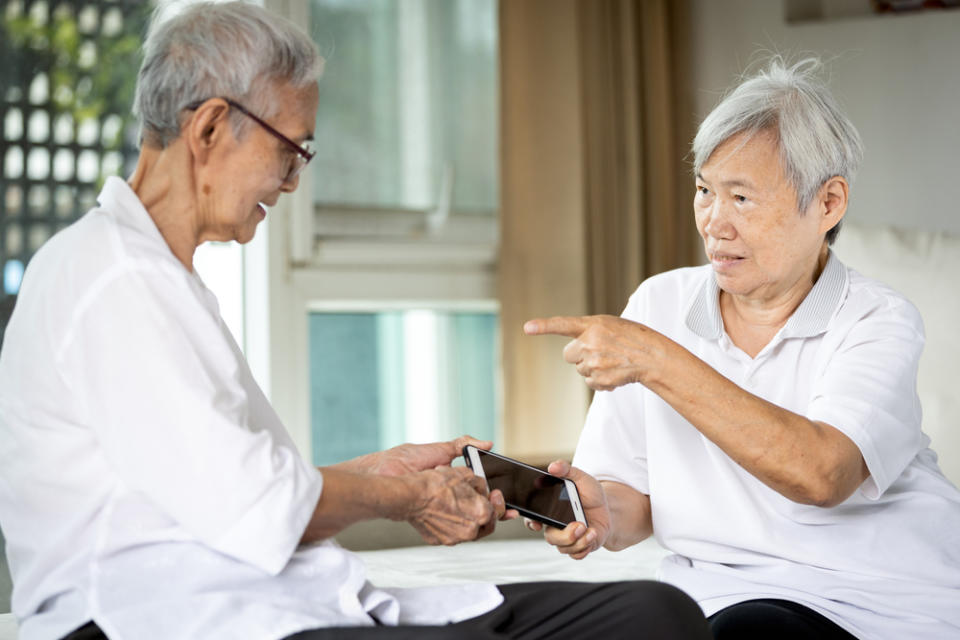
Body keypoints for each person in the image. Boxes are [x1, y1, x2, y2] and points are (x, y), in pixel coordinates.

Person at [0, 2, 713, 639]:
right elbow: (257, 506)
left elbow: (226, 482)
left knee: (654, 615)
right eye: (290, 150)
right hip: (160, 616)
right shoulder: (115, 280)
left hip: (259, 600)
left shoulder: (158, 277)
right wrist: (407, 496)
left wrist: (379, 471)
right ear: (212, 127)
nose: (293, 182)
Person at [524, 57, 960, 639]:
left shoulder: (877, 319)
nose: (713, 223)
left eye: (742, 198)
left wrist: (658, 361)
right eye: (704, 190)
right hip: (712, 600)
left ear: (828, 204)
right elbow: (633, 502)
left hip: (867, 600)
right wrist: (598, 511)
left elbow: (821, 474)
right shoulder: (659, 305)